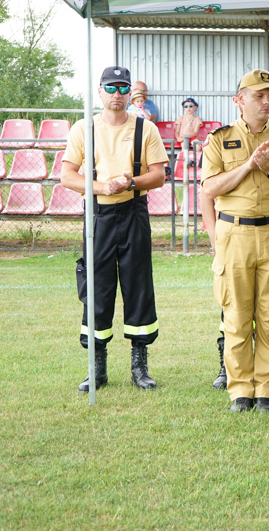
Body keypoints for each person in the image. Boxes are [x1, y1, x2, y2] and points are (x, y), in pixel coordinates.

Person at [202, 69, 269, 413]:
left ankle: (266, 391)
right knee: (237, 317)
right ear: (239, 100)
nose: (267, 102)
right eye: (259, 96)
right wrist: (249, 165)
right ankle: (240, 391)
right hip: (235, 234)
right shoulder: (219, 139)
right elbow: (210, 188)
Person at [61, 65, 168, 392]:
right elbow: (68, 176)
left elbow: (159, 175)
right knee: (97, 287)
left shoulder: (144, 128)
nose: (117, 94)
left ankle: (139, 365)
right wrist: (100, 187)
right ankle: (97, 365)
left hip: (134, 211)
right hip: (98, 215)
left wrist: (130, 182)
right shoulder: (84, 128)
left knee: (138, 284)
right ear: (100, 92)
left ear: (130, 93)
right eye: (111, 88)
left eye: (123, 88)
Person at [201, 191, 269, 390]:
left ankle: (268, 374)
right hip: (233, 235)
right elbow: (207, 191)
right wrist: (214, 236)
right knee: (233, 314)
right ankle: (228, 369)